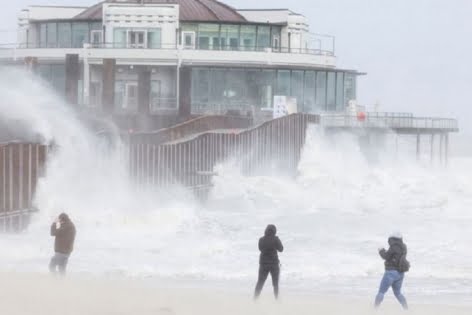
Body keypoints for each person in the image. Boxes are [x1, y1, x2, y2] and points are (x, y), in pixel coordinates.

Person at [374, 232, 409, 309]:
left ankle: (374, 310)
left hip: (390, 273)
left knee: (381, 292)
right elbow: (396, 257)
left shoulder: (393, 247)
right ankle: (407, 309)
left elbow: (386, 256)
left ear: (392, 239)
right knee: (398, 293)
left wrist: (381, 250)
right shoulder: (404, 247)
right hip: (400, 274)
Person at [254, 224, 284, 299]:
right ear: (274, 231)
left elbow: (260, 249)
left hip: (263, 264)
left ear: (266, 230)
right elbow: (281, 249)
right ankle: (276, 299)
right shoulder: (276, 239)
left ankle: (255, 299)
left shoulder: (261, 239)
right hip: (274, 265)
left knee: (260, 283)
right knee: (275, 284)